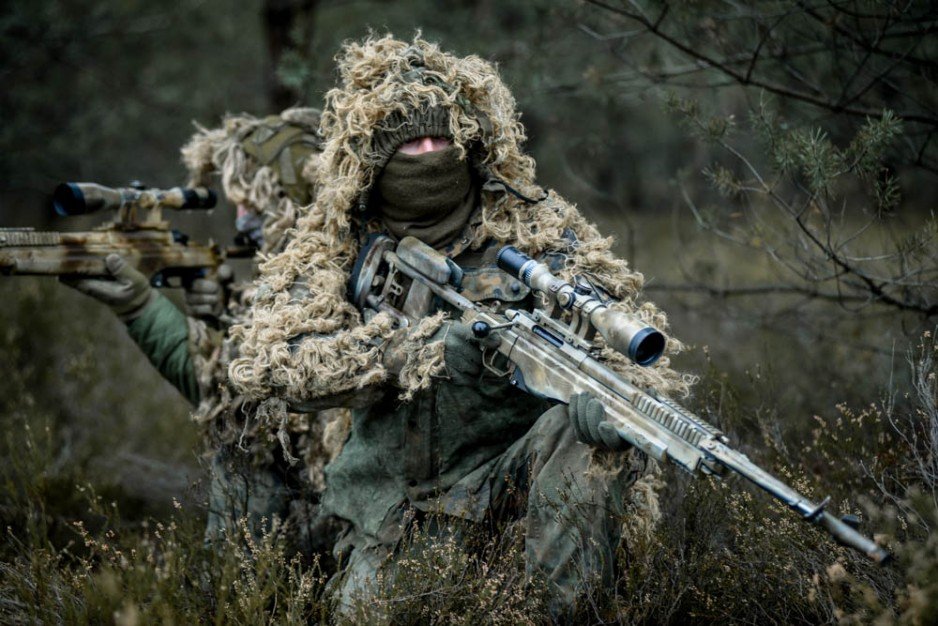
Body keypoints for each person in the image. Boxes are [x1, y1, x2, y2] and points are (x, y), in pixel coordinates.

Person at [227, 35, 693, 615]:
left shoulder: (534, 227)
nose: (426, 151)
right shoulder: (335, 241)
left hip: (516, 485)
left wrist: (624, 396)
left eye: (439, 139)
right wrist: (416, 352)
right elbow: (277, 361)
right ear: (371, 156)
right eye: (408, 142)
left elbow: (625, 338)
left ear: (471, 141)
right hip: (395, 511)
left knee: (591, 431)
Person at [64, 107, 347, 556]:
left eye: (253, 200)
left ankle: (241, 587)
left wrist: (141, 307)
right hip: (325, 511)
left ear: (291, 196)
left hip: (331, 521)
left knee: (245, 444)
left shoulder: (322, 280)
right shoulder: (305, 267)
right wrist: (218, 316)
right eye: (236, 201)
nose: (241, 219)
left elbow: (237, 399)